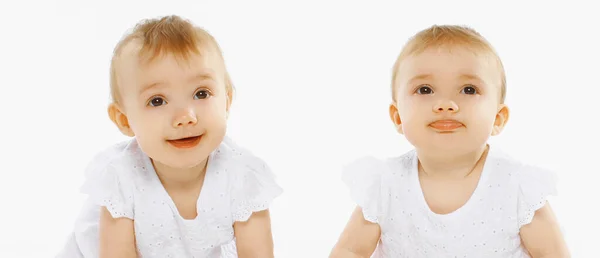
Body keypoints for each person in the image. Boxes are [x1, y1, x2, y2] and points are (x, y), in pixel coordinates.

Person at [330, 25, 569, 257]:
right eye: (425, 90)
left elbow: (553, 254)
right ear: (398, 117)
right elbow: (350, 251)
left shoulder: (517, 187)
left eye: (468, 90)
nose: (445, 104)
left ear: (498, 118)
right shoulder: (385, 185)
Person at [56, 15, 283, 258]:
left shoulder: (243, 176)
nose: (185, 116)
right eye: (157, 101)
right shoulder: (121, 177)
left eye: (201, 93)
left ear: (226, 101)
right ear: (124, 120)